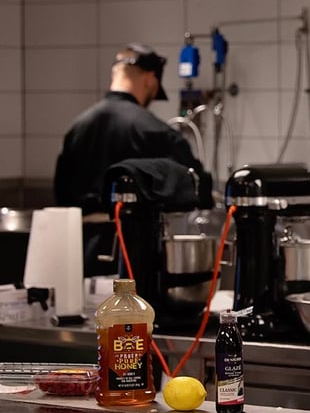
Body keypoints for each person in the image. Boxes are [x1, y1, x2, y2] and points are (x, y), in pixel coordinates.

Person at [54, 43, 207, 277]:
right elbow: (197, 188)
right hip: (132, 253)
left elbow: (60, 194)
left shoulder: (77, 129)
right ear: (149, 79)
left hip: (79, 254)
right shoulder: (156, 133)